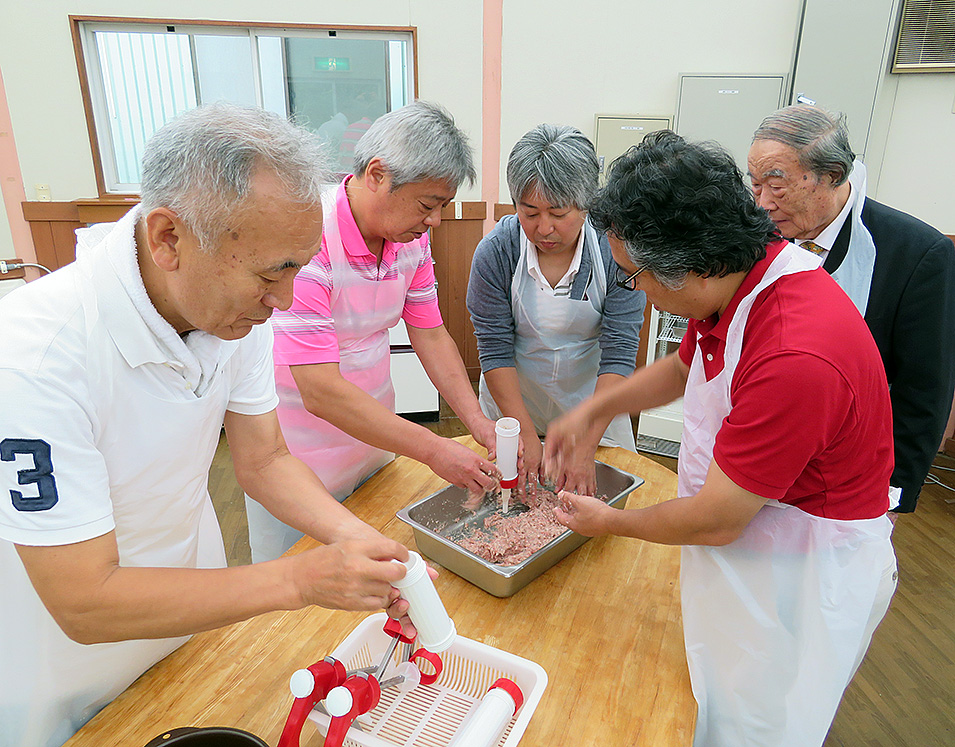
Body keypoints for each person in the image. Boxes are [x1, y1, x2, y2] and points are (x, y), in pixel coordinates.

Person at [0, 103, 420, 747]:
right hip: (72, 672)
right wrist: (297, 578)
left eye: (295, 270)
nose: (283, 300)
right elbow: (83, 600)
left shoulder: (232, 311)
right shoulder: (36, 358)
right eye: (269, 273)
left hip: (188, 618)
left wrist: (364, 545)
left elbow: (264, 460)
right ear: (168, 237)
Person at [544, 131, 898, 746]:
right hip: (752, 536)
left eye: (635, 276)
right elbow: (687, 367)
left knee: (757, 725)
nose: (638, 292)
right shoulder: (737, 278)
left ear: (693, 267)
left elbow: (716, 521)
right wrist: (596, 409)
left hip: (802, 569)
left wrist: (609, 522)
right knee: (711, 703)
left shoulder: (795, 349)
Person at [250, 100, 499, 562]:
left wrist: (478, 423)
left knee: (375, 573)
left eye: (443, 207)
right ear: (378, 175)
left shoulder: (411, 240)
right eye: (428, 205)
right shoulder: (308, 237)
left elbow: (430, 333)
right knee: (304, 603)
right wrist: (432, 448)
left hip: (375, 440)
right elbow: (319, 390)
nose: (435, 222)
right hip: (298, 457)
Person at [748, 104, 955, 514]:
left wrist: (893, 493)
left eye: (777, 184)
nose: (763, 203)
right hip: (764, 454)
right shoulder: (759, 235)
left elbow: (924, 389)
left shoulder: (916, 253)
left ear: (833, 175)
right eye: (754, 184)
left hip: (851, 474)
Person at [467, 124, 644, 494]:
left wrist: (586, 439)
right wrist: (525, 432)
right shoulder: (497, 253)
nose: (544, 228)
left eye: (558, 213)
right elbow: (495, 350)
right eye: (529, 212)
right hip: (513, 403)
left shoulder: (615, 253)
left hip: (593, 405)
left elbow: (620, 352)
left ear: (586, 204)